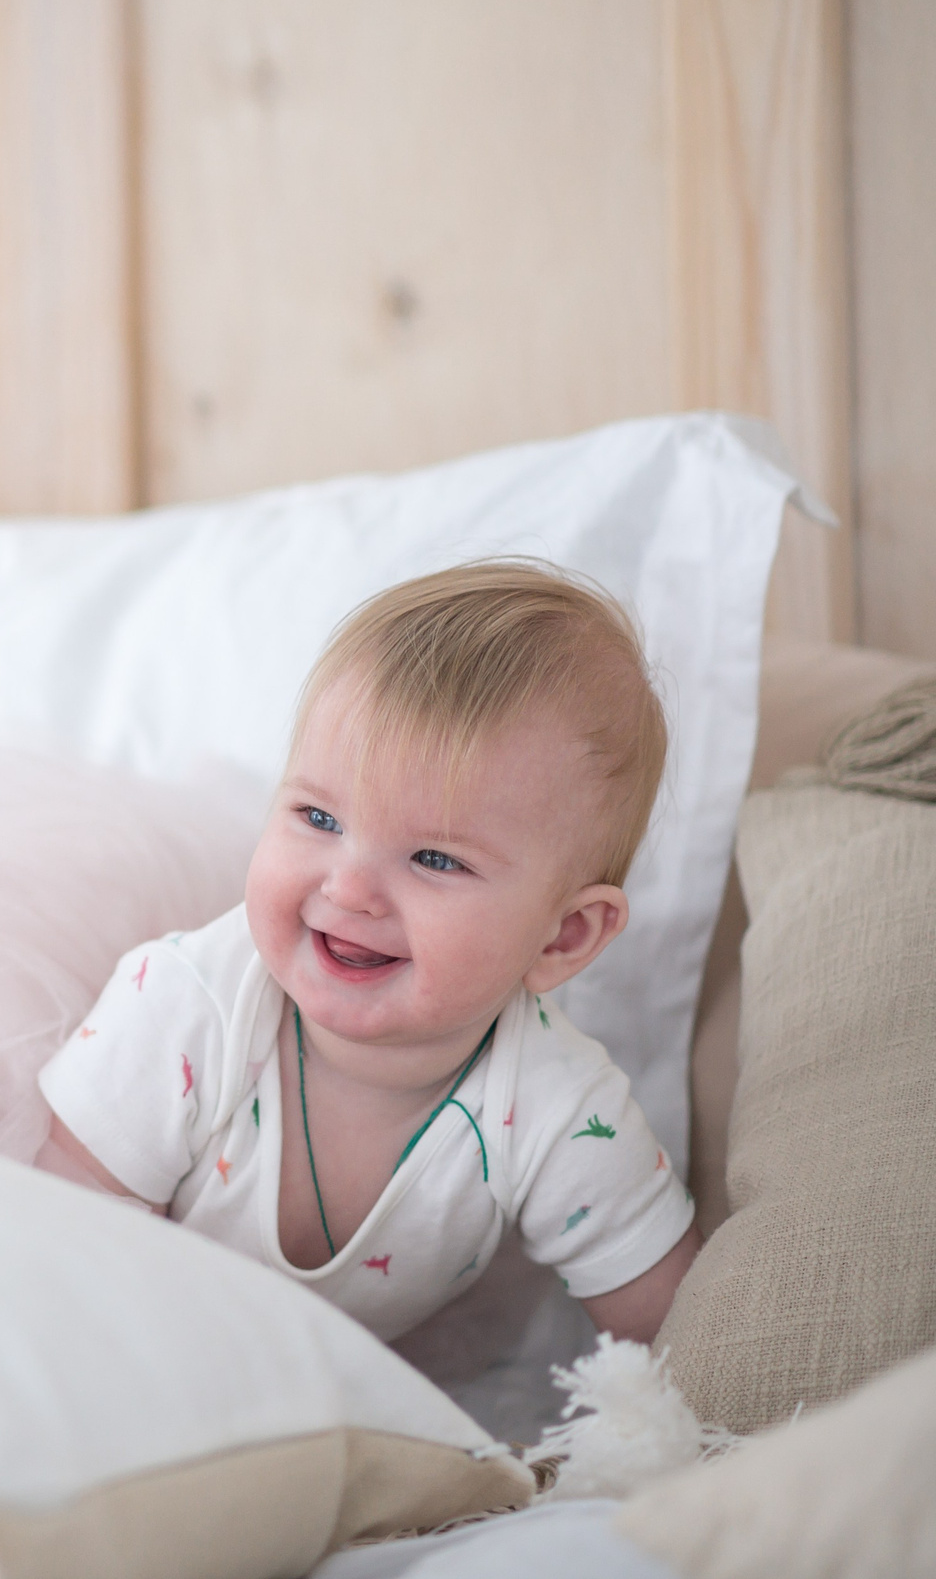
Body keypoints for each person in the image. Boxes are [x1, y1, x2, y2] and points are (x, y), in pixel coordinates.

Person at [35, 561, 700, 1343]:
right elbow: (56, 1251)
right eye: (318, 816)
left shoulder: (557, 1105)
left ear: (564, 936)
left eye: (436, 860)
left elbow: (678, 1326)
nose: (349, 889)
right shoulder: (183, 1007)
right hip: (136, 1344)